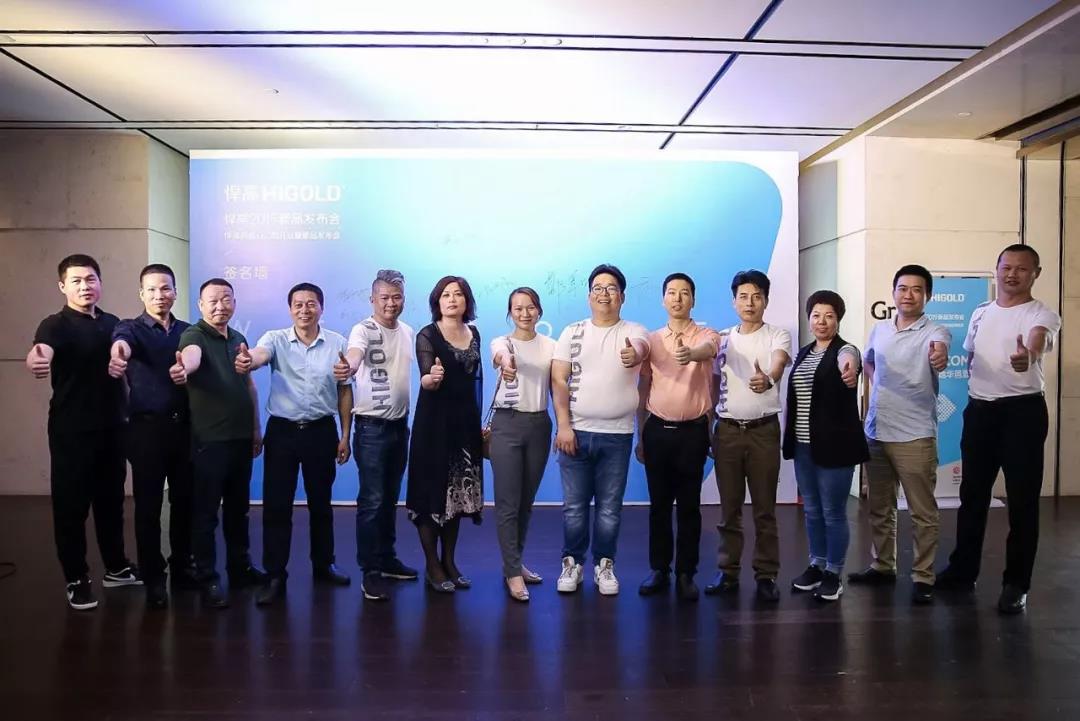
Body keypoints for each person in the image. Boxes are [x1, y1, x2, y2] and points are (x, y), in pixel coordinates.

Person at [938, 245, 1061, 614]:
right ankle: (963, 572)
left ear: (1035, 273)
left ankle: (1016, 584)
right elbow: (972, 355)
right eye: (1006, 267)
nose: (1012, 274)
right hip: (980, 413)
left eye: (1021, 269)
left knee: (1022, 501)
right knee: (972, 496)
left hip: (1022, 414)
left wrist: (1029, 356)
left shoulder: (1041, 313)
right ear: (996, 269)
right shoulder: (980, 312)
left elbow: (1038, 339)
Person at [27, 254, 139, 610]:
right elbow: (40, 351)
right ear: (62, 286)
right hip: (71, 430)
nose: (84, 286)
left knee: (111, 501)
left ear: (100, 283)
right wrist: (36, 360)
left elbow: (125, 359)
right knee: (71, 507)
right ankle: (76, 578)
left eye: (90, 279)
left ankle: (116, 567)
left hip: (113, 426)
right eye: (76, 281)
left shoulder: (112, 323)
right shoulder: (54, 325)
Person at [238, 282, 353, 607]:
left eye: (311, 304)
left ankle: (324, 565)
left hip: (321, 431)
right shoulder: (275, 339)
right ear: (290, 309)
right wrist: (249, 360)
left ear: (321, 308)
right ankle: (275, 574)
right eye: (298, 304)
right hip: (283, 433)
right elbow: (260, 355)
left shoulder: (337, 343)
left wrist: (345, 435)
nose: (305, 310)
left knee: (321, 504)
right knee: (277, 506)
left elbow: (345, 390)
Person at [848, 264, 950, 604]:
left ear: (927, 296)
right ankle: (883, 566)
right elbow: (869, 361)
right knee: (880, 507)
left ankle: (923, 576)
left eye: (917, 289)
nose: (908, 295)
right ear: (893, 293)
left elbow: (940, 352)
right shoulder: (880, 329)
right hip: (877, 431)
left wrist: (939, 358)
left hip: (915, 435)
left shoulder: (935, 331)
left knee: (922, 512)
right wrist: (877, 384)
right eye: (903, 288)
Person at [552, 264, 650, 596]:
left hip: (617, 435)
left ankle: (604, 565)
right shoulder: (572, 332)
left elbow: (642, 347)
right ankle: (572, 563)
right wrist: (563, 426)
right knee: (574, 508)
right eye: (598, 288)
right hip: (575, 433)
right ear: (589, 295)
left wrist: (634, 353)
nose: (604, 293)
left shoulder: (634, 330)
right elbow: (558, 379)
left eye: (611, 288)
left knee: (609, 509)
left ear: (622, 296)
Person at [173, 278, 267, 608]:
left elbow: (250, 386)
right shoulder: (194, 335)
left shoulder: (239, 338)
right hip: (210, 441)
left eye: (226, 299)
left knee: (238, 511)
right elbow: (192, 357)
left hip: (241, 438)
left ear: (235, 303)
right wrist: (184, 368)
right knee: (206, 514)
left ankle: (240, 570)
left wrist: (256, 428)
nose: (220, 306)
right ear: (200, 305)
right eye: (212, 300)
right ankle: (208, 577)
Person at [109, 263, 196, 609]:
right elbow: (121, 344)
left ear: (175, 292)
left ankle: (183, 566)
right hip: (146, 430)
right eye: (152, 289)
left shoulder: (188, 331)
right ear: (141, 294)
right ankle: (153, 576)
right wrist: (118, 354)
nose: (160, 295)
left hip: (185, 429)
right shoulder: (130, 328)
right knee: (148, 507)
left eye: (166, 288)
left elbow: (195, 359)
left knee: (185, 503)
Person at [705, 269, 792, 603]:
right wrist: (709, 423)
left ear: (766, 301)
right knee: (729, 509)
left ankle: (766, 575)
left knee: (765, 509)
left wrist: (768, 378)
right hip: (727, 432)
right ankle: (727, 572)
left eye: (757, 296)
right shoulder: (722, 339)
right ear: (733, 302)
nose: (750, 303)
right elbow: (714, 383)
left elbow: (778, 363)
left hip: (762, 432)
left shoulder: (777, 335)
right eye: (743, 296)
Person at [636, 273, 722, 602]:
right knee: (658, 507)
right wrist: (641, 434)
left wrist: (691, 354)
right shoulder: (652, 340)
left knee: (689, 507)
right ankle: (659, 569)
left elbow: (710, 349)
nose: (677, 298)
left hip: (693, 433)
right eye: (671, 292)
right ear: (663, 300)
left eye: (684, 293)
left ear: (693, 300)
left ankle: (686, 573)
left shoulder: (706, 334)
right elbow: (644, 387)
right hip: (657, 431)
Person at [334, 269, 419, 602]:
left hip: (400, 426)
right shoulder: (363, 330)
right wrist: (350, 367)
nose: (390, 303)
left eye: (397, 297)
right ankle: (369, 570)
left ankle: (387, 559)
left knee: (389, 498)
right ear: (372, 299)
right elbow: (355, 356)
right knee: (371, 501)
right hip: (371, 429)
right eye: (384, 297)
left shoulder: (408, 331)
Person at [782, 290, 868, 602]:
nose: (822, 321)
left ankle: (834, 572)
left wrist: (850, 371)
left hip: (836, 446)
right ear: (809, 319)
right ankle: (816, 565)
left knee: (833, 512)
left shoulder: (846, 350)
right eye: (816, 315)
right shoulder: (805, 353)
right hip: (804, 446)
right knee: (812, 510)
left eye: (829, 316)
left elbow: (849, 362)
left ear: (838, 320)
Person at [405, 276, 484, 593]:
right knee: (431, 496)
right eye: (446, 295)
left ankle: (449, 561)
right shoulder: (427, 334)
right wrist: (433, 377)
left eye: (458, 294)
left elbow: (475, 380)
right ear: (437, 301)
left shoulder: (474, 333)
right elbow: (426, 379)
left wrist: (478, 424)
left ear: (467, 301)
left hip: (465, 426)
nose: (452, 299)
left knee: (457, 498)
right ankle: (432, 566)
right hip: (433, 426)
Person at [489, 287, 555, 602]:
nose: (524, 313)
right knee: (507, 503)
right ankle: (512, 572)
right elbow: (500, 355)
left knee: (526, 502)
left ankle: (515, 562)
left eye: (530, 307)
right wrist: (507, 362)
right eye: (517, 308)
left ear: (539, 311)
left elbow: (558, 386)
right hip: (507, 424)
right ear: (510, 312)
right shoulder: (501, 342)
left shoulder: (552, 346)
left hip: (539, 425)